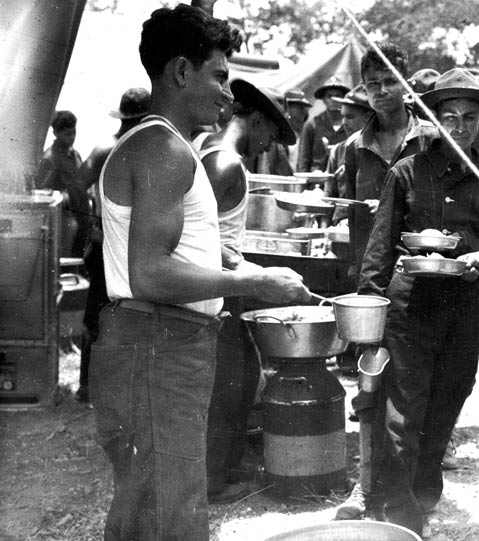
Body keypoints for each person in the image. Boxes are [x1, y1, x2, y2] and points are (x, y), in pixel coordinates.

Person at [91, 6, 310, 540]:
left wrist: (245, 269)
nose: (226, 95)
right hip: (157, 343)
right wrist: (253, 284)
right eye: (219, 76)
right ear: (181, 72)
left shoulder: (162, 144)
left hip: (156, 343)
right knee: (171, 513)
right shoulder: (165, 148)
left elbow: (174, 255)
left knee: (152, 503)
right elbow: (150, 274)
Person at [343, 69, 479, 536]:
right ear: (432, 120)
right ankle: (398, 515)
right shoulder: (405, 172)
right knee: (402, 412)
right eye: (448, 117)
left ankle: (421, 493)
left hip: (464, 308)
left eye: (469, 118)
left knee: (447, 403)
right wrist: (368, 323)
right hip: (409, 309)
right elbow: (379, 248)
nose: (458, 128)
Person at [197, 78, 297, 503]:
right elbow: (195, 235)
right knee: (231, 383)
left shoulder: (208, 148)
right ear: (255, 121)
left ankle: (221, 467)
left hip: (224, 282)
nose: (267, 148)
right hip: (218, 287)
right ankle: (212, 480)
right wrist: (249, 269)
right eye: (269, 137)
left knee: (242, 375)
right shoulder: (226, 164)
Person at [72, 87, 151, 403]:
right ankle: (89, 385)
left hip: (125, 245)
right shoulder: (110, 148)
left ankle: (109, 385)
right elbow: (78, 185)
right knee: (99, 314)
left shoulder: (133, 147)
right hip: (108, 246)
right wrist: (92, 225)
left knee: (118, 313)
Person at [343, 42, 438, 283]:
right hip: (372, 271)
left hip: (419, 269)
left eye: (390, 81)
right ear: (364, 88)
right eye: (373, 83)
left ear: (404, 84)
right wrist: (357, 266)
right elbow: (354, 214)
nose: (382, 90)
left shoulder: (430, 138)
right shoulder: (355, 147)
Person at [35, 110, 83, 257]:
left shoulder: (74, 154)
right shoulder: (50, 159)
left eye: (73, 132)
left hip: (78, 214)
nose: (72, 137)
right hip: (63, 219)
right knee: (65, 259)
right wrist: (63, 196)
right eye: (67, 134)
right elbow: (41, 192)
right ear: (55, 133)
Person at [323, 84, 374, 225]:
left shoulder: (381, 151)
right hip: (340, 228)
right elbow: (329, 196)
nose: (344, 123)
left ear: (369, 117)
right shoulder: (338, 151)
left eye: (350, 117)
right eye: (343, 117)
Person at [296, 76, 349, 172]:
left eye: (338, 96)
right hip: (317, 180)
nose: (333, 99)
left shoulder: (349, 124)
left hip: (342, 180)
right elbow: (303, 159)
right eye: (329, 96)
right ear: (324, 99)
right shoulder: (312, 124)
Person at [283, 88, 312, 172]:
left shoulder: (304, 133)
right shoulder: (277, 134)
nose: (304, 112)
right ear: (287, 108)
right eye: (300, 108)